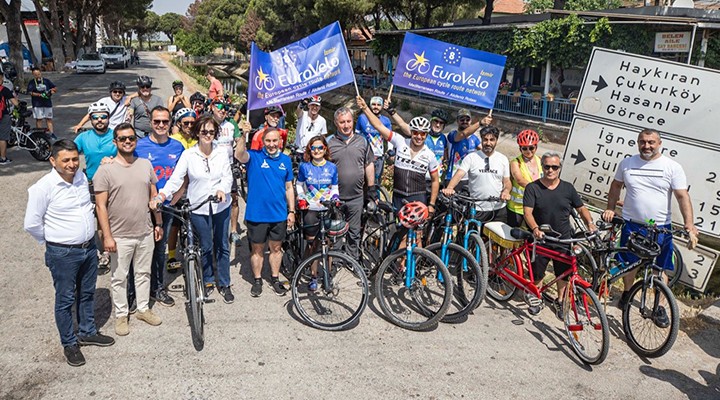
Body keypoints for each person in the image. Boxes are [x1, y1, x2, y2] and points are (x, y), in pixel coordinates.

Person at [24, 140, 115, 367]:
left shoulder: (81, 178)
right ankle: (69, 343)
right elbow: (31, 224)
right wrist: (54, 241)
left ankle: (87, 331)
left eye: (75, 159)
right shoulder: (43, 187)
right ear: (53, 161)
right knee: (65, 300)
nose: (72, 164)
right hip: (62, 253)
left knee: (87, 293)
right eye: (66, 160)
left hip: (87, 249)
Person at [602, 128, 699, 312]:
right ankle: (627, 293)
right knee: (629, 263)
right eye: (642, 142)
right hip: (632, 225)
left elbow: (682, 196)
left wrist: (689, 224)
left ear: (659, 144)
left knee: (660, 269)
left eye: (651, 142)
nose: (646, 146)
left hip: (660, 228)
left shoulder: (672, 167)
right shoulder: (627, 163)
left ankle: (659, 306)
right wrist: (610, 208)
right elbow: (615, 186)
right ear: (638, 143)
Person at [152, 115, 235, 303]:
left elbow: (227, 176)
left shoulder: (221, 152)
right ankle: (207, 280)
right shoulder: (189, 155)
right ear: (197, 132)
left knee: (222, 245)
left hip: (221, 204)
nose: (207, 135)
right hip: (199, 206)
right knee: (205, 245)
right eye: (204, 131)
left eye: (211, 132)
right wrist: (162, 195)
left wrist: (222, 189)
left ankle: (224, 283)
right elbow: (176, 179)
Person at [94, 123, 163, 335]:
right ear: (115, 142)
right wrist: (107, 236)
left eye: (131, 138)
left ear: (135, 140)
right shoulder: (105, 170)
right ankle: (121, 315)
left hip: (145, 230)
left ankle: (142, 309)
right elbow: (100, 206)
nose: (127, 142)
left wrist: (158, 222)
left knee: (143, 273)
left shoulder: (145, 165)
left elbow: (154, 195)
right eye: (123, 138)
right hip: (119, 235)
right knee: (119, 277)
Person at [523, 152, 596, 316]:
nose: (550, 170)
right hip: (541, 239)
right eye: (547, 166)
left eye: (554, 167)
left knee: (563, 273)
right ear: (542, 167)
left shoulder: (568, 188)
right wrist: (535, 229)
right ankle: (537, 297)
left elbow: (581, 208)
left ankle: (561, 300)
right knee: (537, 273)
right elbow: (527, 213)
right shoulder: (532, 188)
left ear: (559, 168)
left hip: (564, 238)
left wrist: (590, 224)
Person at [235, 123, 294, 297]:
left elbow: (289, 187)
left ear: (280, 142)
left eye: (275, 140)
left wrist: (292, 211)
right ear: (263, 142)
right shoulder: (254, 156)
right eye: (268, 141)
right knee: (257, 249)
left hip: (279, 214)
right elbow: (239, 154)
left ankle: (275, 278)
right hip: (257, 213)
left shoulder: (286, 160)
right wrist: (243, 135)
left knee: (276, 248)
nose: (271, 144)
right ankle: (258, 279)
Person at [134, 106, 185, 307]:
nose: (161, 125)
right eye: (157, 121)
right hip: (143, 204)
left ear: (170, 122)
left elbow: (184, 176)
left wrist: (176, 196)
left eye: (165, 121)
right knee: (139, 249)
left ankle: (158, 287)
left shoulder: (177, 147)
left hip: (167, 204)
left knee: (160, 247)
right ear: (150, 122)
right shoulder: (139, 146)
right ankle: (136, 292)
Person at [357, 96, 439, 214]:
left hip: (418, 197)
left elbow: (435, 180)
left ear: (426, 135)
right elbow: (378, 126)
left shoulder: (429, 155)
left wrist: (431, 204)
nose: (419, 137)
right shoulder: (400, 141)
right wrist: (365, 108)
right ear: (411, 132)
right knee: (395, 229)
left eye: (422, 134)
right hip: (398, 196)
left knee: (415, 231)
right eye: (415, 132)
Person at [327, 107, 376, 259]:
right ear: (336, 123)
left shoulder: (362, 141)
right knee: (335, 232)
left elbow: (369, 164)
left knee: (354, 232)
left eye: (349, 121)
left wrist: (372, 188)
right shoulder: (329, 142)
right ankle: (335, 261)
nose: (346, 125)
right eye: (342, 122)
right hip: (336, 197)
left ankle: (351, 260)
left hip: (356, 196)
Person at [74, 102, 118, 269]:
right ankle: (103, 251)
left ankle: (111, 248)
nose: (100, 120)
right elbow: (70, 154)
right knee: (96, 218)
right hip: (92, 182)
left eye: (103, 117)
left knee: (111, 217)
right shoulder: (83, 137)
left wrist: (114, 160)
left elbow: (129, 153)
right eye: (95, 117)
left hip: (114, 182)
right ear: (90, 119)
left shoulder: (116, 135)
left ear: (108, 118)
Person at [295, 135, 339, 291]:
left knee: (328, 243)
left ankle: (327, 275)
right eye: (314, 148)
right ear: (309, 150)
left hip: (327, 209)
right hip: (311, 209)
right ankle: (313, 275)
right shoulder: (304, 167)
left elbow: (334, 187)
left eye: (320, 147)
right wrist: (301, 198)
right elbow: (299, 185)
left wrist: (335, 197)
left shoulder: (332, 167)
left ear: (325, 149)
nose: (317, 150)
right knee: (313, 243)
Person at [443, 126, 511, 222]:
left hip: (498, 209)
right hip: (477, 208)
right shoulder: (471, 157)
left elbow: (507, 181)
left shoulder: (503, 159)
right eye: (485, 140)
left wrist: (506, 191)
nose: (488, 143)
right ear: (481, 140)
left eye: (492, 140)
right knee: (472, 235)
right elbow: (459, 174)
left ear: (496, 140)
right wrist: (450, 188)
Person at [386, 106, 450, 190]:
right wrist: (392, 112)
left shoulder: (443, 139)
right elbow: (403, 125)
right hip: (419, 179)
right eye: (436, 121)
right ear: (431, 121)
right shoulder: (422, 134)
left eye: (441, 123)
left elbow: (444, 157)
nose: (438, 125)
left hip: (435, 180)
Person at [209, 100, 243, 246]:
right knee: (211, 199)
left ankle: (234, 230)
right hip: (211, 166)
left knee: (234, 199)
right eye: (220, 107)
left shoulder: (231, 124)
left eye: (225, 108)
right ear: (212, 108)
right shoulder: (207, 123)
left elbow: (238, 142)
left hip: (229, 166)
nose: (222, 110)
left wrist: (243, 136)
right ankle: (211, 230)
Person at [446, 109, 492, 192]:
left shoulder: (474, 138)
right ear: (457, 121)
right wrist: (480, 123)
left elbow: (485, 152)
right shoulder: (452, 134)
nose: (465, 121)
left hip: (468, 179)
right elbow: (463, 134)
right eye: (462, 119)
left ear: (471, 121)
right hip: (452, 178)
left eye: (467, 119)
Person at [507, 129, 543, 227]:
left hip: (534, 207)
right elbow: (519, 179)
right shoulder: (516, 162)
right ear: (520, 149)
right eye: (524, 148)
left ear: (536, 147)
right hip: (517, 208)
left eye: (531, 148)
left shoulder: (540, 160)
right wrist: (538, 190)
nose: (528, 151)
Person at [355, 96, 392, 183]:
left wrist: (390, 150)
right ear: (370, 105)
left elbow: (390, 138)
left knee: (377, 183)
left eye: (379, 105)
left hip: (379, 157)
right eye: (373, 104)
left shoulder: (386, 120)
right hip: (365, 156)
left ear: (382, 106)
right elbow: (356, 136)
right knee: (364, 182)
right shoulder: (362, 118)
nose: (376, 107)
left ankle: (376, 197)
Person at [26, 67, 58, 140]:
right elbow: (30, 92)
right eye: (35, 74)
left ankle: (51, 133)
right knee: (39, 119)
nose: (37, 76)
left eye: (38, 74)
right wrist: (39, 95)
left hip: (47, 103)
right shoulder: (32, 82)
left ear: (41, 73)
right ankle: (40, 135)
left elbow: (55, 88)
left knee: (49, 118)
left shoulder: (46, 81)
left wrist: (52, 91)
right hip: (37, 104)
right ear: (33, 74)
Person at [0, 82, 18, 165]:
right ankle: (3, 158)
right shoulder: (4, 89)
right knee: (3, 137)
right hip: (3, 115)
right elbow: (15, 102)